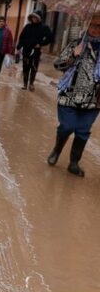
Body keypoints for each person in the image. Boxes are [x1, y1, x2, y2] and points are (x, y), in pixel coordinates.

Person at [47, 14, 100, 177]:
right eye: (94, 25)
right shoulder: (76, 44)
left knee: (83, 131)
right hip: (69, 95)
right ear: (88, 25)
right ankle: (57, 149)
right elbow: (58, 65)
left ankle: (74, 163)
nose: (97, 29)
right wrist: (73, 56)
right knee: (67, 127)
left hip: (93, 99)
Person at [17, 10, 53, 91]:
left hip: (36, 51)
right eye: (33, 17)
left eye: (36, 17)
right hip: (26, 50)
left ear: (39, 18)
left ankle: (31, 84)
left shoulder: (44, 27)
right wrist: (18, 48)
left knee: (34, 67)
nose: (34, 19)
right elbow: (21, 38)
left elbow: (50, 38)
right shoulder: (27, 27)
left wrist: (41, 44)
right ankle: (25, 84)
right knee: (25, 67)